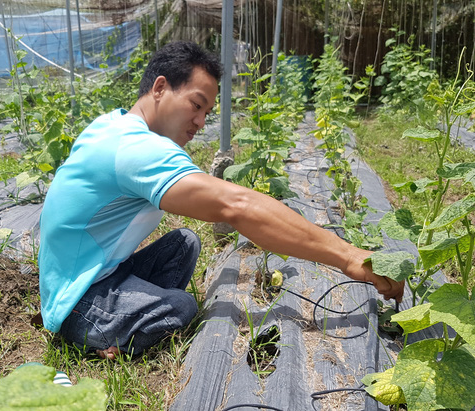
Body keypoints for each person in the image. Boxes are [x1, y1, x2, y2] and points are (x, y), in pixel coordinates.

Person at [37, 41, 404, 360]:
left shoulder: (113, 124)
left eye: (206, 113)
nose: (200, 121)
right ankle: (101, 334)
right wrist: (350, 257)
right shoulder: (136, 150)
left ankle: (129, 310)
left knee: (184, 243)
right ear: (160, 87)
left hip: (94, 270)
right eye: (196, 105)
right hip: (78, 300)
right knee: (182, 307)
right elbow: (237, 206)